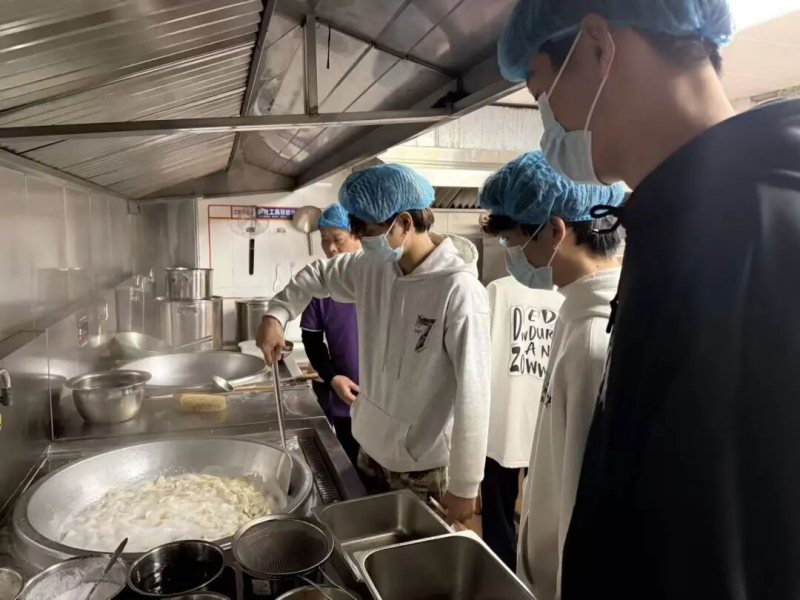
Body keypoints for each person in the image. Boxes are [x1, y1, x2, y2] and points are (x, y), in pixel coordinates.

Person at [499, 2, 800, 599]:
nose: (547, 125)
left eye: (540, 93)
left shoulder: (753, 235)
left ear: (597, 46)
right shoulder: (679, 223)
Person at [257, 164, 491, 524]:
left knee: (416, 556)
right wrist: (277, 313)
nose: (362, 240)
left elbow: (474, 392)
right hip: (370, 448)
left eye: (367, 230)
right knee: (369, 548)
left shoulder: (458, 291)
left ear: (405, 223)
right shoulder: (373, 268)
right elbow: (319, 275)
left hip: (422, 466)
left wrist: (466, 484)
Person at [480, 151, 624, 598]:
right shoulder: (574, 314)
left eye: (513, 241)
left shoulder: (594, 340)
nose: (511, 255)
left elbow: (583, 511)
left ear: (556, 231)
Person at [481, 276, 562, 570]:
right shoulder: (564, 296)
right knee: (544, 512)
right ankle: (531, 574)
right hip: (543, 418)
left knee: (498, 509)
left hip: (503, 420)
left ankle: (500, 572)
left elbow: (480, 360)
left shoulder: (498, 290)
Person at [300, 202, 362, 466]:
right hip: (346, 401)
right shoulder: (321, 287)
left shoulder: (383, 281)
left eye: (338, 239)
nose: (330, 247)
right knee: (354, 474)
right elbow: (312, 340)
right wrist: (333, 377)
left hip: (389, 406)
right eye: (324, 239)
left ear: (359, 235)